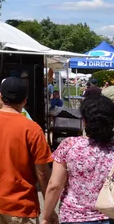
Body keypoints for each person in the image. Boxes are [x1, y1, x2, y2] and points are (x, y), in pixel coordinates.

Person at [0, 77, 54, 224]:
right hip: (21, 207)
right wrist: (49, 209)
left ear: (0, 97)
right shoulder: (32, 129)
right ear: (25, 101)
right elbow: (43, 173)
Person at [42, 95, 114, 224]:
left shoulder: (69, 145)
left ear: (85, 121)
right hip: (109, 216)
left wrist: (47, 216)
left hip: (74, 217)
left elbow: (55, 186)